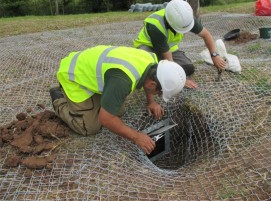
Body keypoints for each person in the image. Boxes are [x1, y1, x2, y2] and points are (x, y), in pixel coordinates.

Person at [49, 45, 186, 155]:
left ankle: (97, 100)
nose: (157, 95)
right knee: (90, 127)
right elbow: (106, 119)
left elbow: (150, 81)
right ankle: (59, 98)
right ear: (153, 85)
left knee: (118, 110)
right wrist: (137, 137)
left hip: (95, 73)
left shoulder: (153, 63)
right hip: (74, 77)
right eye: (159, 93)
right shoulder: (123, 80)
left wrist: (151, 102)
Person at [133, 0, 227, 89]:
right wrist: (181, 80)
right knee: (150, 73)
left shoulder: (186, 19)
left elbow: (206, 35)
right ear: (170, 23)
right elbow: (168, 58)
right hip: (148, 47)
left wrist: (214, 55)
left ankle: (161, 68)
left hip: (168, 48)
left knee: (188, 68)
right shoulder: (156, 26)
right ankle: (153, 69)